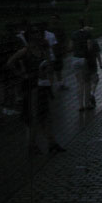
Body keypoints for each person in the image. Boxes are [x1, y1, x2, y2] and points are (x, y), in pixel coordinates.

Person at [6, 26, 64, 154]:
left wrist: (47, 50)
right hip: (32, 88)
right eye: (36, 32)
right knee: (35, 117)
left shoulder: (42, 50)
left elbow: (49, 66)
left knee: (45, 116)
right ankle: (33, 145)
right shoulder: (25, 51)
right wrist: (22, 75)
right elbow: (10, 62)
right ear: (31, 36)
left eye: (39, 32)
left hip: (43, 86)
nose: (39, 34)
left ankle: (51, 143)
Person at [71, 21, 93, 109]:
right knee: (87, 82)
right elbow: (89, 47)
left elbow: (70, 46)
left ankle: (80, 105)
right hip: (84, 58)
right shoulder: (87, 34)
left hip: (75, 59)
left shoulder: (73, 34)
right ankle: (87, 104)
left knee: (79, 83)